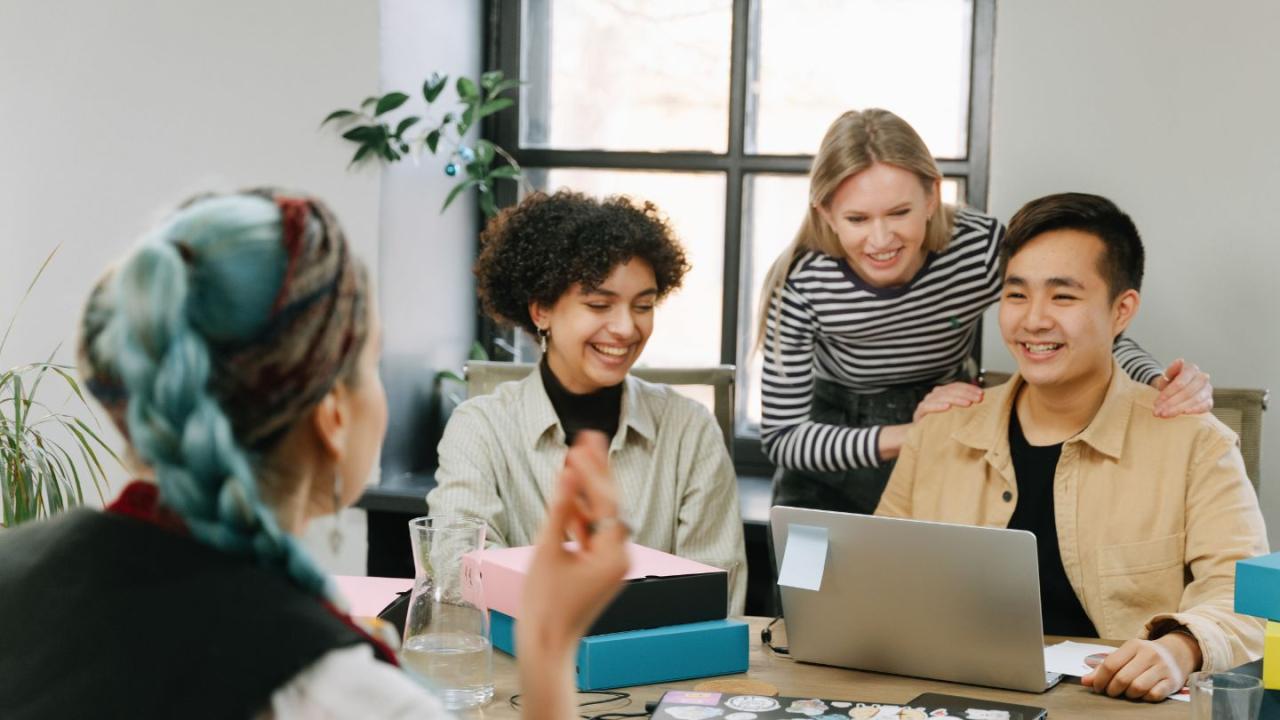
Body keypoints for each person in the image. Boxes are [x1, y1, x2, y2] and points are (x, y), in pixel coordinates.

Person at [0, 189, 629, 719]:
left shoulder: (16, 571)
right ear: (333, 415)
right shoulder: (343, 696)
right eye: (371, 365)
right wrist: (547, 644)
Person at [875, 192, 1267, 702]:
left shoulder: (1197, 443)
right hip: (948, 696)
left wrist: (1180, 647)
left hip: (1117, 705)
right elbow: (877, 577)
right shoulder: (939, 432)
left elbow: (1245, 599)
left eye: (1062, 297)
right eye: (1016, 296)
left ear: (1122, 309)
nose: (1033, 320)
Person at [756, 108, 1213, 515]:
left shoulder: (978, 248)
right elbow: (785, 438)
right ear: (826, 213)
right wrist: (909, 434)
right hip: (835, 446)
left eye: (899, 213)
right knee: (809, 601)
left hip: (944, 419)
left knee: (932, 595)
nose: (880, 240)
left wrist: (1158, 380)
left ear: (932, 195)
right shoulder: (798, 282)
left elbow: (1084, 329)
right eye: (857, 219)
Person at [428, 190, 748, 614]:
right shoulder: (480, 428)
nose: (625, 328)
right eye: (599, 304)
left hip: (659, 672)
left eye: (644, 305)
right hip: (519, 671)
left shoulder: (690, 430)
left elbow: (715, 592)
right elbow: (458, 568)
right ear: (541, 310)